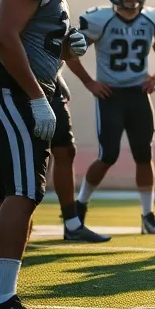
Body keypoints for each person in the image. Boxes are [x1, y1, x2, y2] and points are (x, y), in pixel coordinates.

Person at [0, 0, 84, 309]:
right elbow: (4, 37)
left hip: (7, 87)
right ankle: (2, 302)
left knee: (10, 193)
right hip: (11, 89)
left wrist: (64, 44)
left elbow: (26, 36)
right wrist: (35, 96)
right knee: (24, 192)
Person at [66, 0, 155, 234]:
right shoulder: (99, 20)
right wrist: (89, 82)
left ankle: (148, 216)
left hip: (138, 94)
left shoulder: (153, 20)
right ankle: (80, 205)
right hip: (111, 95)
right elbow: (69, 52)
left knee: (144, 154)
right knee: (108, 155)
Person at [51, 70, 109, 242]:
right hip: (19, 90)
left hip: (50, 88)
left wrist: (57, 79)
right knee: (32, 159)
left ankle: (72, 223)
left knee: (65, 150)